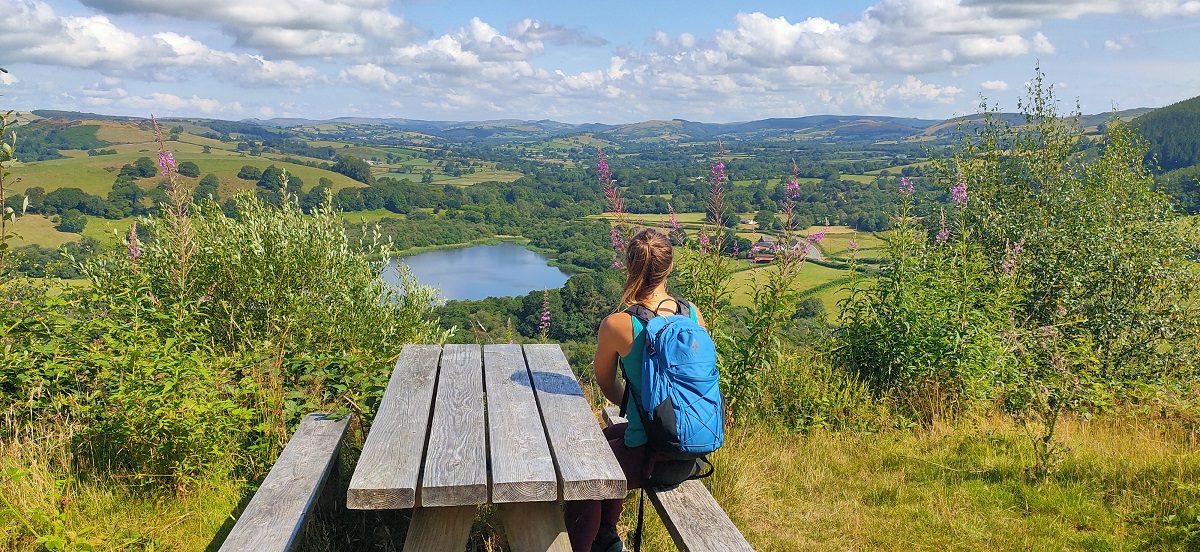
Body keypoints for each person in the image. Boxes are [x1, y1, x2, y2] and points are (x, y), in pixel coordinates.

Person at [564, 228, 705, 552]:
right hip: (691, 445)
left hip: (654, 454)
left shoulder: (618, 324)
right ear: (668, 268)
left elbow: (605, 380)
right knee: (606, 437)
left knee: (584, 476)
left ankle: (587, 546)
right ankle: (606, 536)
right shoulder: (692, 313)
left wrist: (639, 410)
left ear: (629, 266)